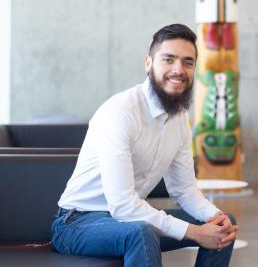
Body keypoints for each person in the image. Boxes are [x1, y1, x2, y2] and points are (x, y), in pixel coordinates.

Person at [51, 23, 238, 267]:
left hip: (127, 221)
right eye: (168, 59)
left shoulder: (180, 118)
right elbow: (123, 205)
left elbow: (184, 190)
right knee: (141, 232)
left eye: (188, 62)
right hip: (77, 224)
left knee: (222, 225)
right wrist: (192, 232)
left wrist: (214, 216)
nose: (178, 69)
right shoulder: (120, 111)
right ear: (149, 63)